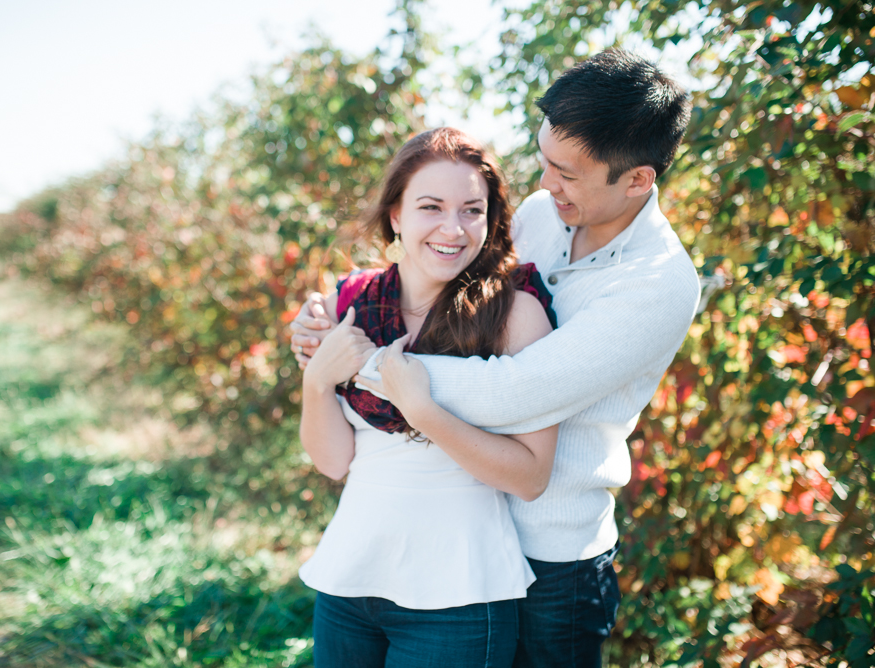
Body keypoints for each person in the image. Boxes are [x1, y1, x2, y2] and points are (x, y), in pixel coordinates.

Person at [291, 49, 700, 667]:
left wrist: (360, 363)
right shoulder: (544, 215)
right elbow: (441, 285)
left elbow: (517, 391)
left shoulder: (657, 283)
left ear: (637, 178)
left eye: (567, 173)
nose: (544, 184)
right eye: (543, 161)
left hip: (552, 553)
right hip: (456, 527)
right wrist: (324, 328)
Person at [297, 127, 559, 668]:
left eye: (471, 210)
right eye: (431, 207)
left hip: (457, 596)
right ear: (396, 214)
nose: (452, 228)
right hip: (350, 580)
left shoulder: (514, 314)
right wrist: (317, 380)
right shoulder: (350, 303)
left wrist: (423, 411)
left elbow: (531, 477)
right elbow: (333, 461)